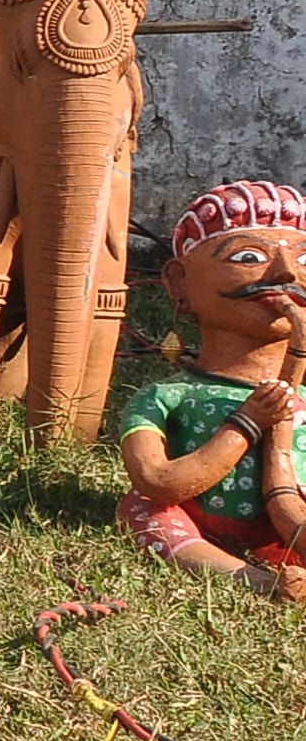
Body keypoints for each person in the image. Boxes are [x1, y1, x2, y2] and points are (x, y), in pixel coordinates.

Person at [117, 180, 306, 604]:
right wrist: (246, 423)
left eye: (303, 258)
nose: (286, 274)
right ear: (179, 284)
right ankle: (253, 580)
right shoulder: (163, 398)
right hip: (196, 519)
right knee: (142, 508)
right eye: (248, 257)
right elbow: (157, 480)